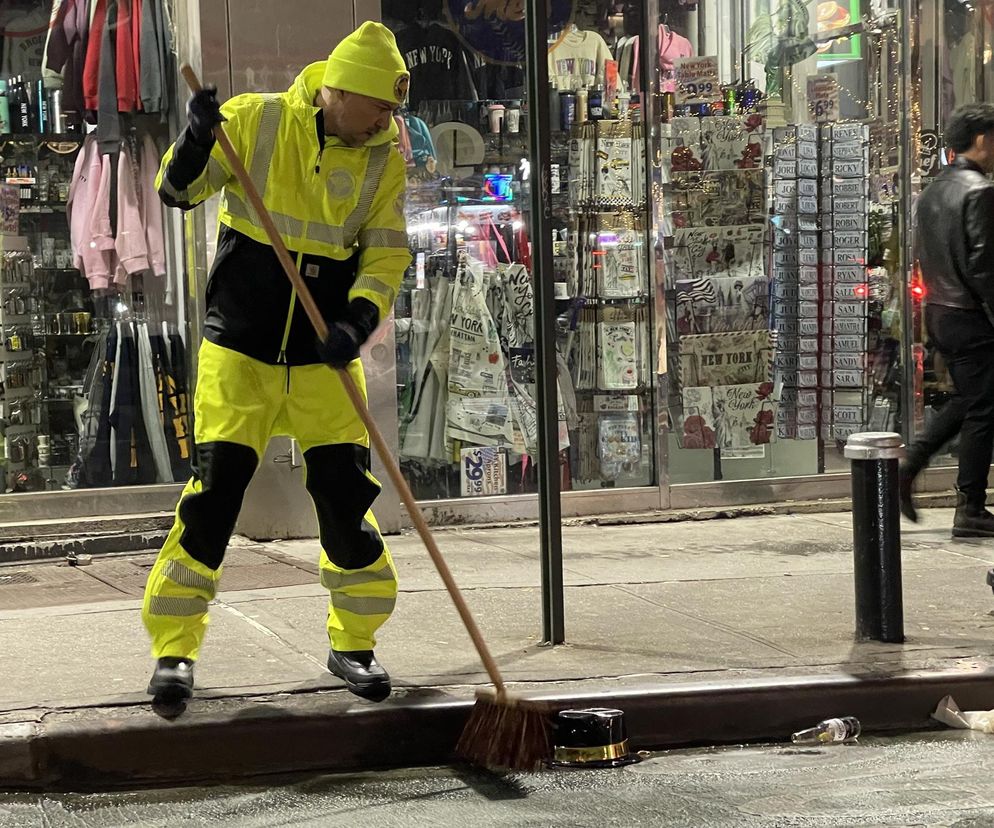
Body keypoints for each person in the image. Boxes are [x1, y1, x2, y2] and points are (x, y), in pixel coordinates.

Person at [141, 22, 412, 703]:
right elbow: (177, 193)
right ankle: (174, 653)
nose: (386, 119)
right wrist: (198, 137)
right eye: (379, 104)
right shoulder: (253, 122)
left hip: (326, 362)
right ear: (339, 91)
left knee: (347, 504)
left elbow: (385, 255)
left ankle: (354, 643)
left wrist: (357, 321)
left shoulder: (384, 157)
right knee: (213, 501)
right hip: (241, 353)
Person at [900, 103, 994, 537]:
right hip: (971, 313)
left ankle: (911, 464)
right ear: (981, 140)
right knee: (985, 407)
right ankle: (970, 507)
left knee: (970, 398)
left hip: (941, 311)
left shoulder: (934, 190)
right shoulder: (978, 190)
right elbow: (984, 266)